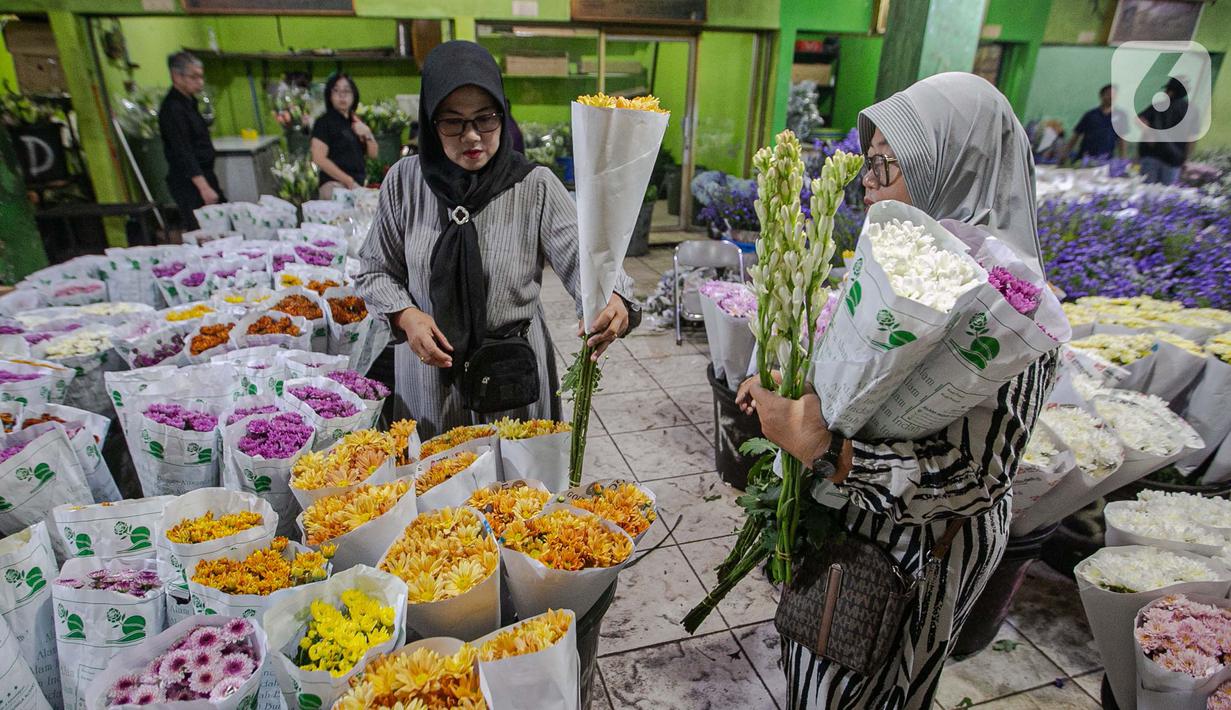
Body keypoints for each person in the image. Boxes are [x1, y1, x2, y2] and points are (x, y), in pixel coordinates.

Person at [739, 73, 1056, 709]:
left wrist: (826, 449)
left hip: (920, 552)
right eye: (869, 162)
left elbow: (976, 477)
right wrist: (791, 389)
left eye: (885, 163)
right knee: (823, 671)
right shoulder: (901, 262)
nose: (867, 181)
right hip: (853, 521)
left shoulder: (1010, 310)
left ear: (954, 165)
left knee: (873, 687)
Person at [355, 41, 636, 438]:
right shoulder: (404, 182)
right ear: (430, 122)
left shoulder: (534, 186)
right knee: (439, 484)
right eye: (452, 122)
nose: (472, 137)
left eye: (485, 119)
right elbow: (375, 271)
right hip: (429, 376)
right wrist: (406, 314)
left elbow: (587, 261)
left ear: (503, 115)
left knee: (518, 491)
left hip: (510, 376)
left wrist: (613, 298)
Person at [159, 51, 224, 231]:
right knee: (202, 231)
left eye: (201, 77)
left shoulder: (190, 103)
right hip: (190, 183)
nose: (200, 82)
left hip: (205, 175)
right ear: (176, 76)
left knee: (219, 225)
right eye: (194, 77)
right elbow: (183, 152)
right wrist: (204, 187)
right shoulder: (173, 109)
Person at [311, 72, 378, 198]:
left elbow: (373, 154)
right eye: (336, 91)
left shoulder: (355, 122)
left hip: (356, 185)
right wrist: (348, 181)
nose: (342, 96)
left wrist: (368, 133)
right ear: (329, 95)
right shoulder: (324, 122)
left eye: (346, 91)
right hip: (333, 185)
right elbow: (318, 158)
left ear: (354, 95)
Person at [1138, 77, 1192, 184]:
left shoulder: (1159, 105)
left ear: (1171, 92)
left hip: (1152, 154)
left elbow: (1140, 119)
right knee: (1166, 195)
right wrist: (1186, 158)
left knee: (1146, 192)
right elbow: (1192, 138)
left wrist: (1149, 133)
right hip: (1174, 159)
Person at [1065, 84, 1124, 161]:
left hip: (1106, 159)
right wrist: (1065, 152)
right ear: (1101, 96)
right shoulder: (1090, 115)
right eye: (1109, 94)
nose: (1111, 97)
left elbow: (1122, 139)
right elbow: (1076, 134)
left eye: (1114, 95)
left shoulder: (1120, 116)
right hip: (1085, 158)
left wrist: (1123, 157)